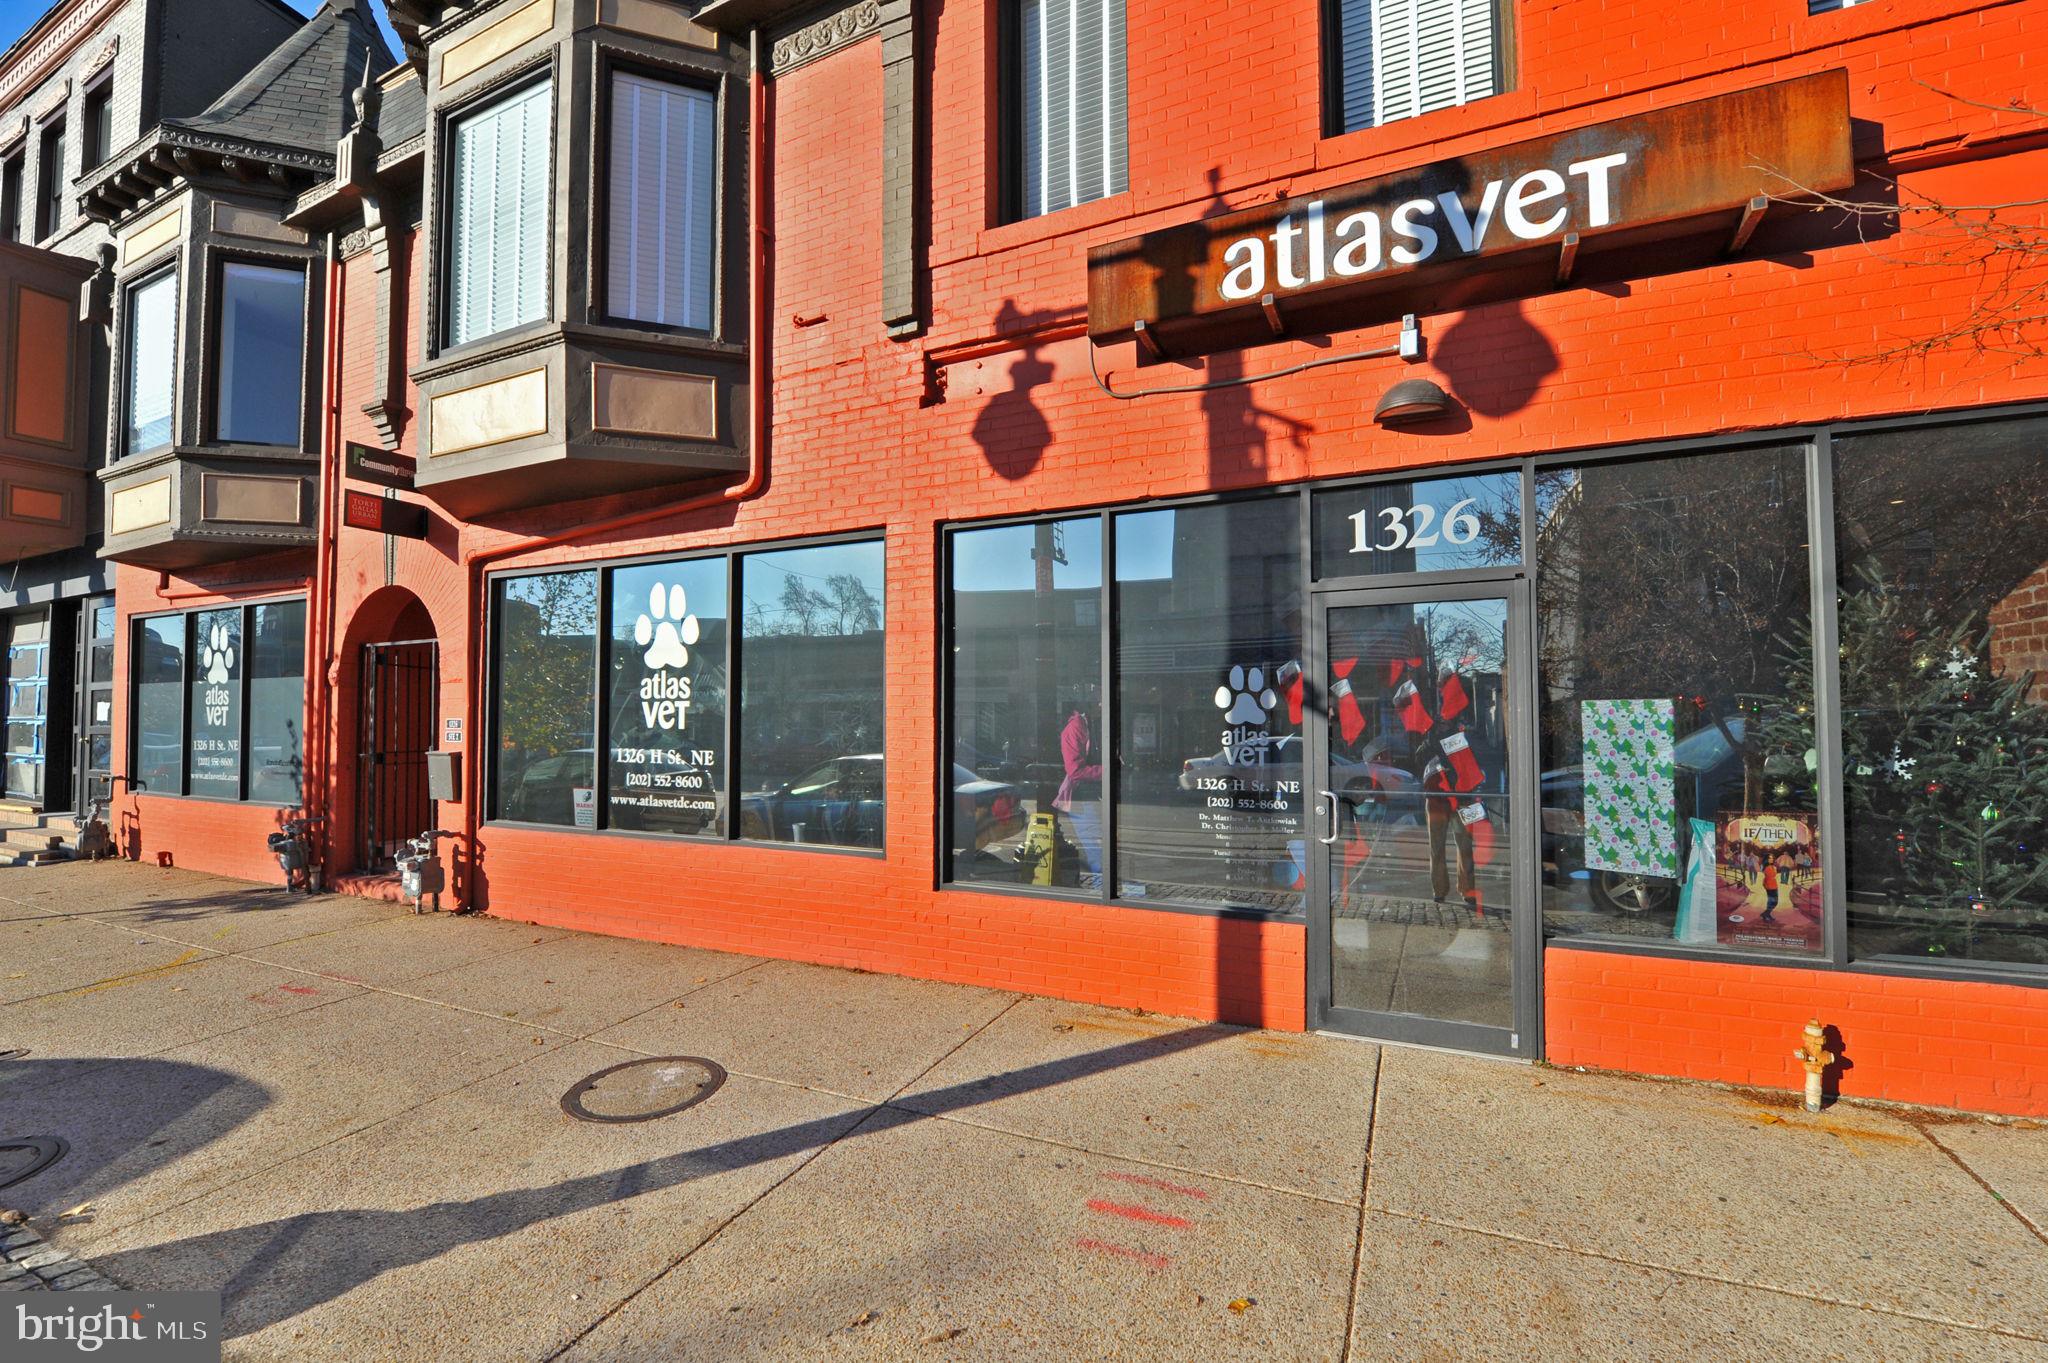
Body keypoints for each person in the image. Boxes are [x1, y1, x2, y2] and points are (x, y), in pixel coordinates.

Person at [1054, 703, 1103, 877]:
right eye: (1099, 701)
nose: (1102, 705)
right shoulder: (1076, 727)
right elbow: (1075, 771)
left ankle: (1103, 889)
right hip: (1082, 798)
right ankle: (1101, 892)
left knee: (1101, 852)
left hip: (1095, 795)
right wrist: (1107, 770)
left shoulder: (1095, 724)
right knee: (1097, 854)